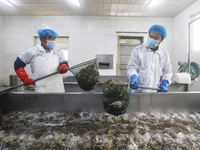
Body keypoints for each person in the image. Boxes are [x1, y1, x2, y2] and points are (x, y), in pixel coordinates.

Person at [127, 25, 172, 93]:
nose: (152, 39)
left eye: (156, 38)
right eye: (151, 36)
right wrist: (133, 76)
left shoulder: (164, 53)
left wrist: (165, 82)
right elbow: (132, 67)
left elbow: (167, 71)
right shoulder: (138, 50)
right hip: (137, 91)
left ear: (161, 40)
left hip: (154, 92)